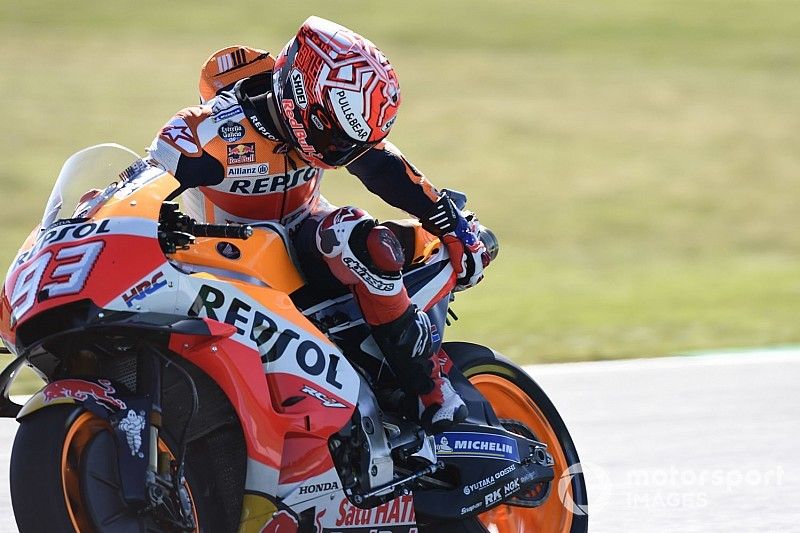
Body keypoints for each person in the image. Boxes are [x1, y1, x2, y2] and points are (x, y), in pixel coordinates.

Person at [147, 16, 490, 431]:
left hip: (306, 243)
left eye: (353, 142)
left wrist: (453, 224)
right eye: (336, 138)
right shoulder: (203, 131)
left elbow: (385, 168)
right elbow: (137, 187)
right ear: (299, 92)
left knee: (353, 233)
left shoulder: (327, 123)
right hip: (222, 264)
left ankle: (429, 388)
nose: (342, 153)